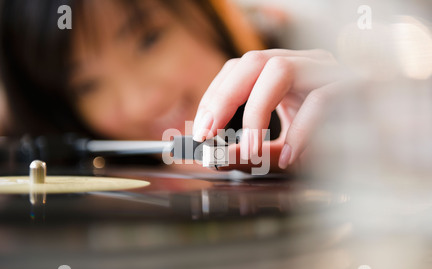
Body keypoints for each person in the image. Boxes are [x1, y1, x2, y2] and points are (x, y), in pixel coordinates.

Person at [0, 0, 344, 172]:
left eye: (149, 40)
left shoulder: (328, 48)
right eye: (87, 85)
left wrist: (365, 139)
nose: (142, 102)